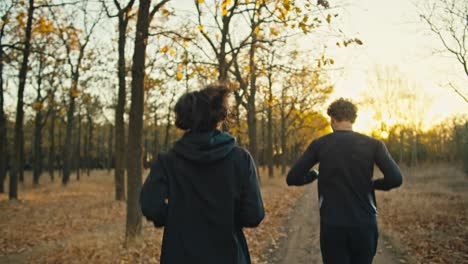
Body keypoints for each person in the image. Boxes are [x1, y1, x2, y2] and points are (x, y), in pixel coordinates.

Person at [140, 84, 264, 264]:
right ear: (219, 117)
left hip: (179, 255)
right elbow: (254, 215)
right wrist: (227, 216)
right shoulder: (240, 159)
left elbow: (150, 204)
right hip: (229, 256)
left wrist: (176, 218)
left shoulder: (168, 161)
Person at [286, 98, 402, 264]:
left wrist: (313, 175)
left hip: (333, 226)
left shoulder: (320, 144)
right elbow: (396, 179)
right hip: (364, 224)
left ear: (332, 119)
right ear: (353, 119)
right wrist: (374, 184)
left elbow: (293, 178)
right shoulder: (374, 144)